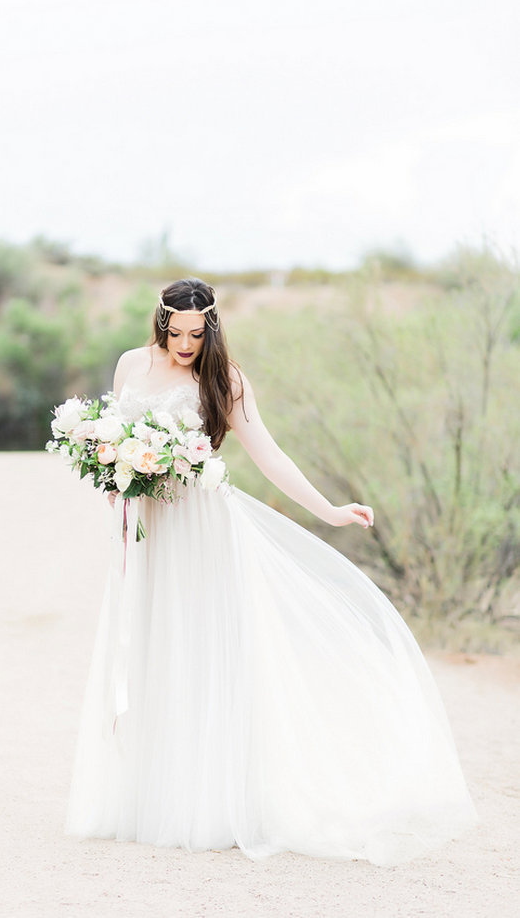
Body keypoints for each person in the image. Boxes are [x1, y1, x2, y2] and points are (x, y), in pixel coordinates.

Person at [64, 277, 477, 866]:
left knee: (205, 655)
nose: (186, 345)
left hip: (202, 530)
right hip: (147, 532)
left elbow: (268, 452)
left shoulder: (224, 379)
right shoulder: (131, 364)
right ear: (160, 323)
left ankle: (212, 802)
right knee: (154, 648)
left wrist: (330, 510)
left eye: (196, 333)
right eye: (176, 333)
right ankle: (151, 796)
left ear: (211, 325)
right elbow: (117, 439)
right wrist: (116, 475)